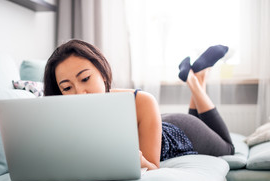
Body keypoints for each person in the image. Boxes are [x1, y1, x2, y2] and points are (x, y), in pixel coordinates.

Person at [43, 39, 234, 171]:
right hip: (155, 123)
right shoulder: (64, 114)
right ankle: (198, 74)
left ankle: (193, 82)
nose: (80, 93)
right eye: (67, 88)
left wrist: (132, 157)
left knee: (228, 148)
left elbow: (151, 166)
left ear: (102, 72)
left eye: (85, 78)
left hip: (182, 132)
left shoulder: (141, 100)